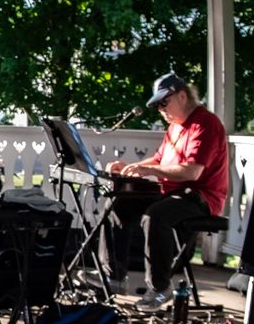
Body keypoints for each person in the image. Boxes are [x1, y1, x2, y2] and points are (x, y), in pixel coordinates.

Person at [97, 71, 229, 309]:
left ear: (182, 96)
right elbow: (159, 160)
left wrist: (148, 170)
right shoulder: (175, 127)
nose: (160, 110)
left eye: (163, 103)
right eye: (157, 105)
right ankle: (114, 277)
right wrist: (130, 167)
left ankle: (160, 288)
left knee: (155, 215)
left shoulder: (205, 124)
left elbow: (192, 172)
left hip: (201, 197)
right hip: (171, 193)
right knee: (118, 203)